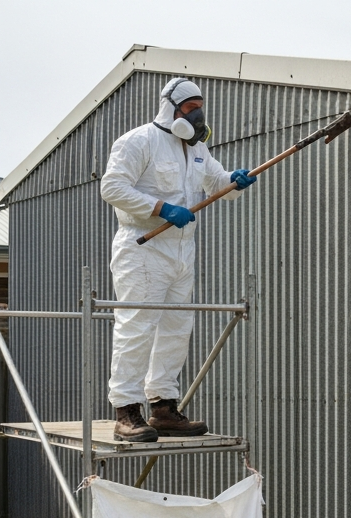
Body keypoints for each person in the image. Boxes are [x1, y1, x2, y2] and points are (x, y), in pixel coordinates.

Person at [100, 77, 257, 442]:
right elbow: (112, 187)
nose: (197, 114)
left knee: (176, 328)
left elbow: (217, 184)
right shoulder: (139, 141)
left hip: (182, 251)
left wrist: (234, 181)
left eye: (200, 106)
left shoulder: (198, 149)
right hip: (143, 248)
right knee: (137, 327)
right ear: (170, 108)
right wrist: (160, 208)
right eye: (190, 108)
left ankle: (163, 407)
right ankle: (126, 411)